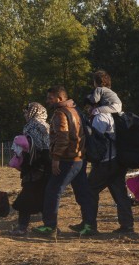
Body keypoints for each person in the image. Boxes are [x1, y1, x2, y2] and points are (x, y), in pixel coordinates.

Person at [34, 86, 97, 236]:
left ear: (60, 99)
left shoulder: (60, 113)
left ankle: (50, 226)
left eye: (51, 98)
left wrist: (56, 158)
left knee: (53, 190)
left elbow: (63, 137)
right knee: (83, 193)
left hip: (67, 159)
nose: (48, 101)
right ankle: (89, 225)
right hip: (79, 157)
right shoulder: (75, 110)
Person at [79, 70, 133, 234]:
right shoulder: (118, 114)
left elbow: (96, 141)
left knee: (89, 190)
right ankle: (127, 225)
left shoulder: (102, 117)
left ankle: (89, 225)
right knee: (119, 193)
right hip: (118, 160)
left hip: (105, 162)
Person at [10, 103, 52, 235]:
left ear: (33, 112)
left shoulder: (31, 126)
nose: (25, 115)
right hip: (47, 166)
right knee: (44, 197)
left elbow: (31, 147)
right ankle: (50, 226)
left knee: (26, 198)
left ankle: (22, 227)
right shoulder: (47, 125)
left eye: (26, 112)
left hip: (34, 166)